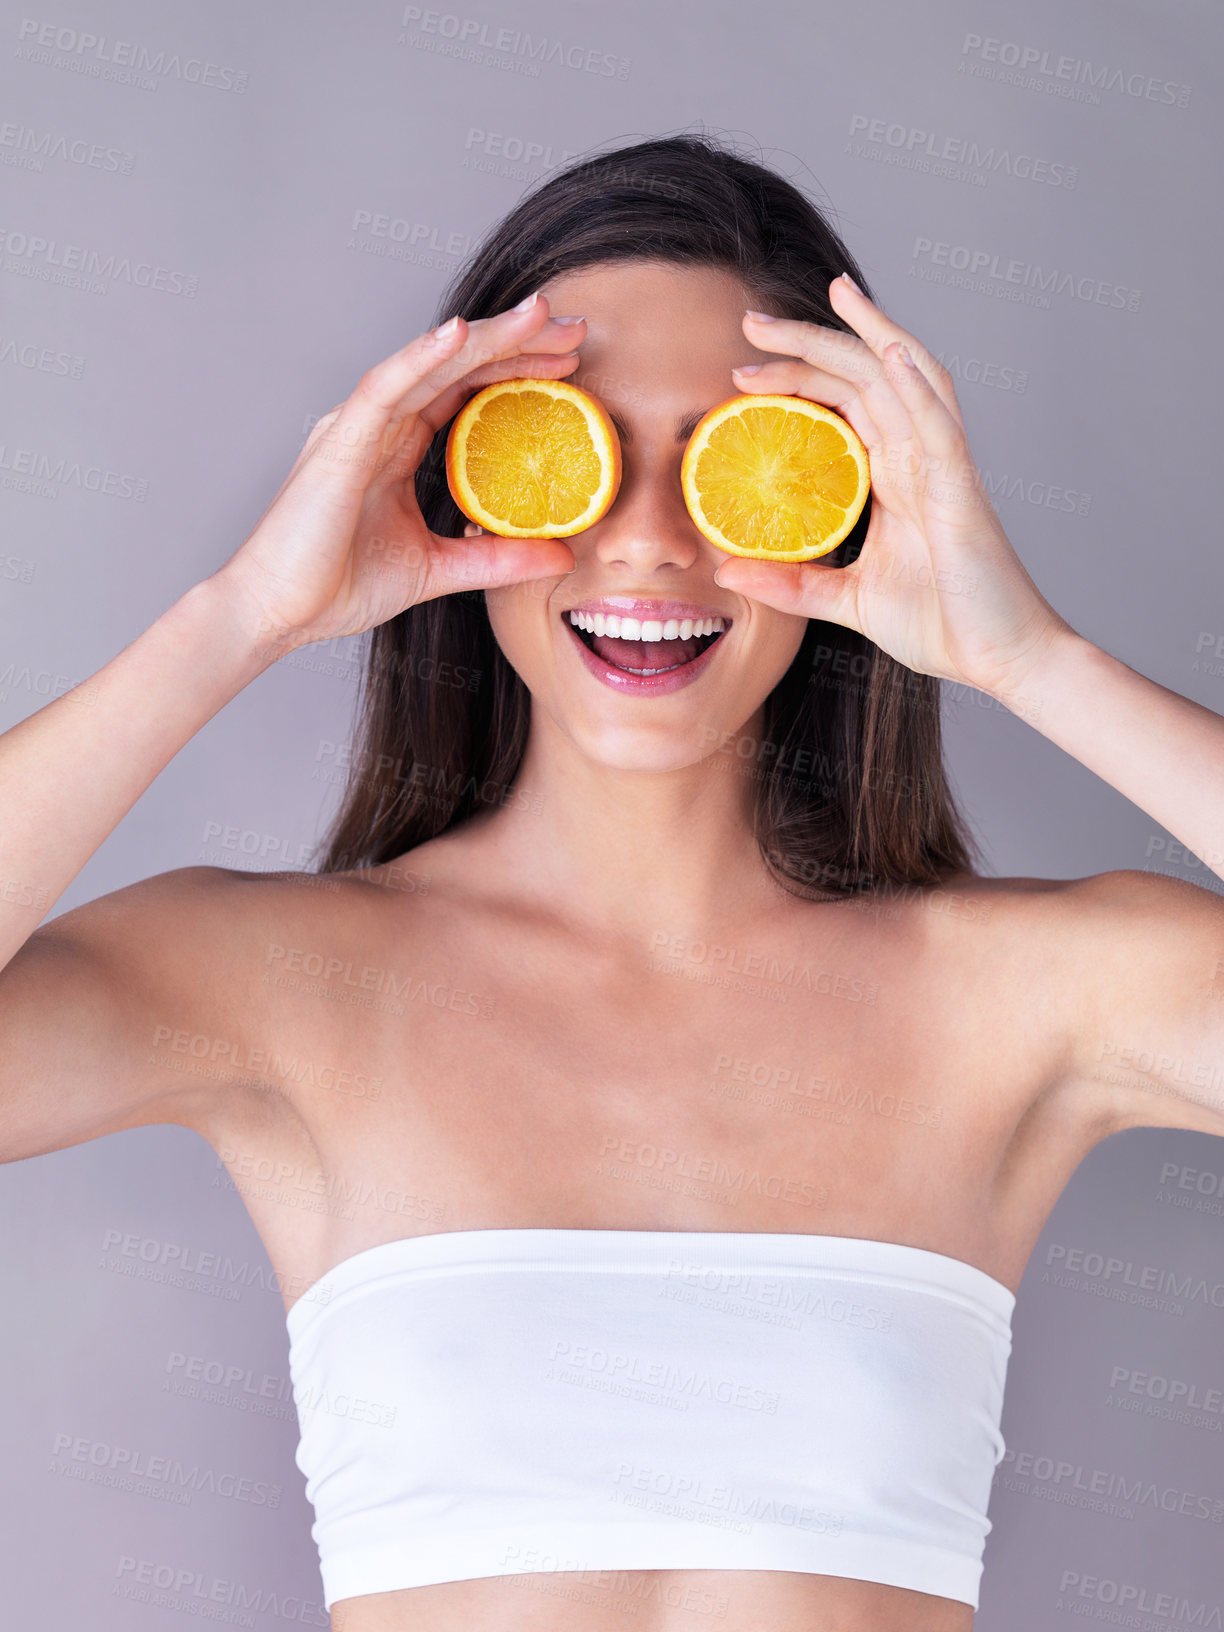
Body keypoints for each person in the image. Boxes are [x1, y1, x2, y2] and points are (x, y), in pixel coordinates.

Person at [3, 131, 1222, 1632]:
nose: (648, 546)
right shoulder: (277, 986)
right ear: (457, 489)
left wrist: (1030, 660)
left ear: (851, 498)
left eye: (734, 468)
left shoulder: (1023, 999)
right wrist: (242, 616)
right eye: (564, 453)